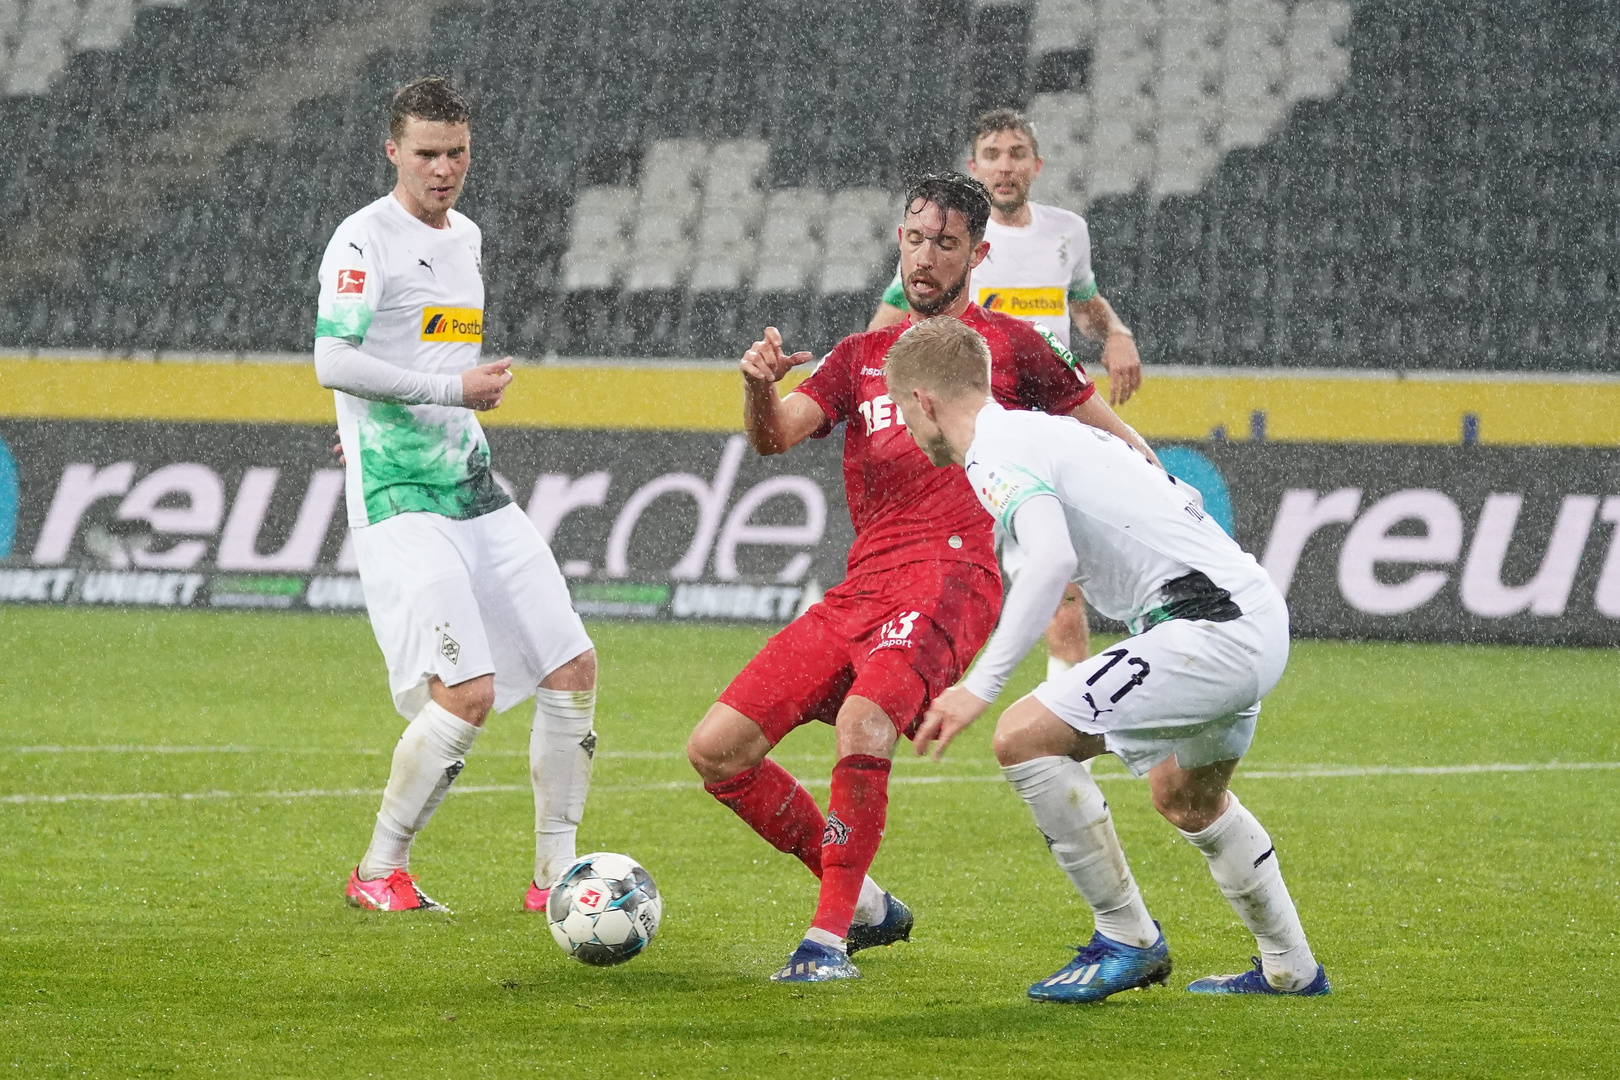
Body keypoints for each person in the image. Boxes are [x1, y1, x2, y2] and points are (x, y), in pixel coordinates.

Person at [685, 172, 1156, 983]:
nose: (925, 258)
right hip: (859, 590)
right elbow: (775, 438)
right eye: (913, 239)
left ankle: (826, 944)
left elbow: (1113, 436)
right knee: (716, 751)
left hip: (955, 577)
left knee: (864, 723)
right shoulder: (862, 357)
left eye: (945, 244)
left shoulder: (1012, 347)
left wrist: (1164, 502)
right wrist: (757, 388)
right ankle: (863, 902)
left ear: (979, 252)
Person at [887, 316, 1329, 1002]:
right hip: (1247, 612)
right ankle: (1292, 970)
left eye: (901, 412)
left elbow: (1053, 559)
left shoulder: (993, 452)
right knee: (1187, 799)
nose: (908, 432)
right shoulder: (1049, 432)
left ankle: (1127, 938)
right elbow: (1152, 486)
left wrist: (980, 687)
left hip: (1208, 625)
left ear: (923, 401)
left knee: (1022, 740)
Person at [314, 76, 597, 913]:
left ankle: (554, 877)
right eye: (427, 153)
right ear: (393, 150)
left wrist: (388, 408)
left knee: (571, 663)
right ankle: (378, 872)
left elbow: (412, 358)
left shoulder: (466, 235)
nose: (443, 169)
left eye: (457, 153)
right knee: (466, 695)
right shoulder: (363, 241)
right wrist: (435, 399)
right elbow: (334, 359)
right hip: (401, 498)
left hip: (470, 484)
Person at [871, 109, 1144, 683]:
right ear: (973, 167)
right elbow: (886, 325)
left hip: (1044, 437)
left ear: (1036, 165)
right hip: (970, 436)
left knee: (1064, 599)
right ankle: (884, 679)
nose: (1005, 165)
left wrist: (1116, 333)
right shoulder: (957, 241)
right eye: (992, 155)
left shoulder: (1067, 232)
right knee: (932, 579)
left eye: (1017, 153)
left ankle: (1061, 739)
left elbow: (1087, 305)